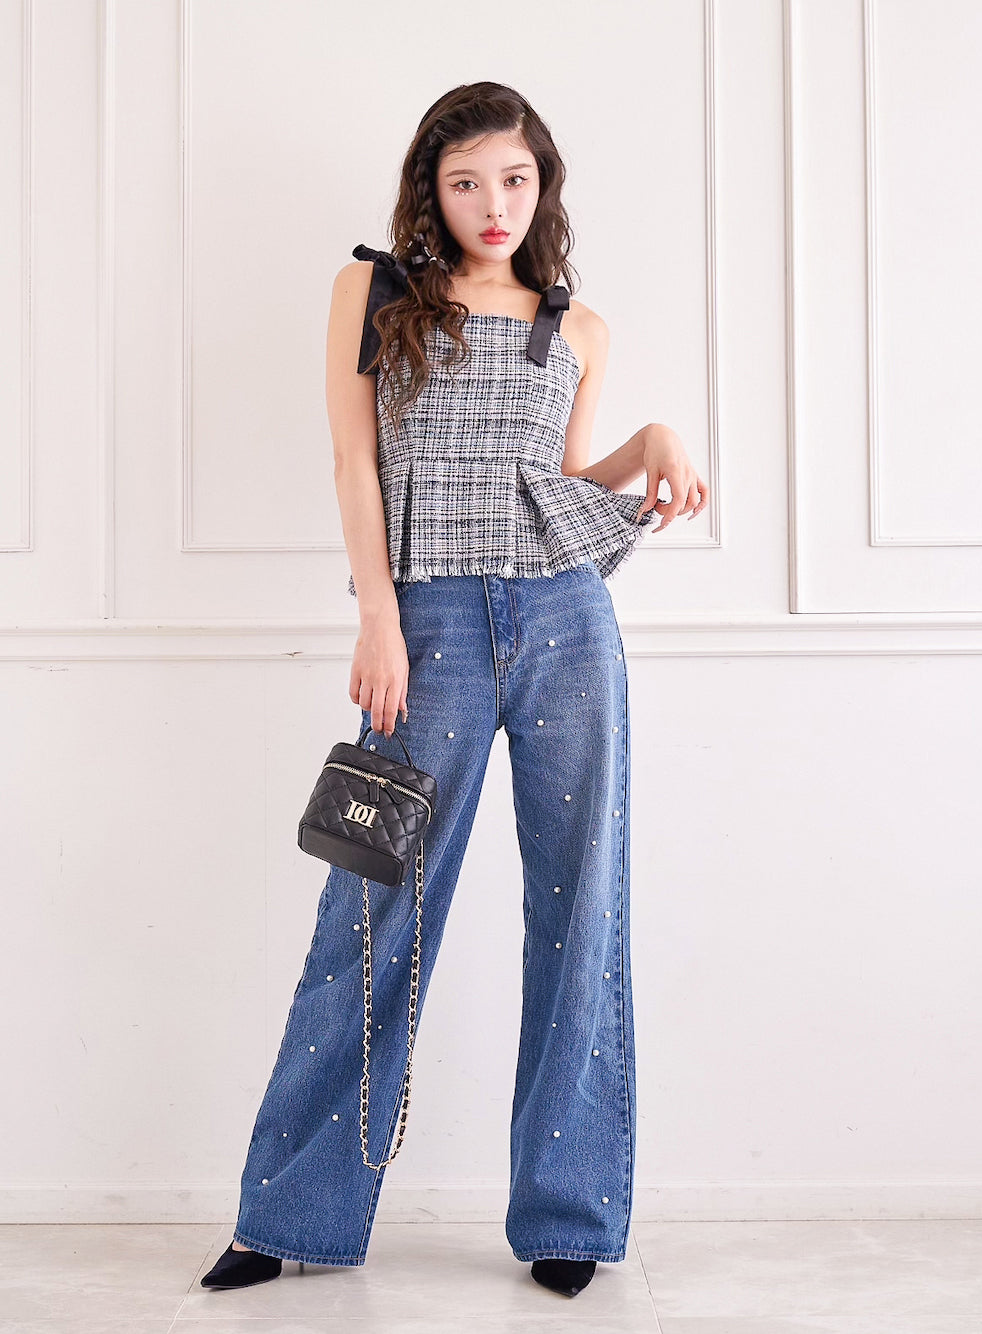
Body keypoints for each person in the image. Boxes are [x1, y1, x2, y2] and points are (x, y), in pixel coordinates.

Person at [202, 80, 707, 1300]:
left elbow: (560, 477)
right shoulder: (374, 292)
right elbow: (352, 457)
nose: (494, 203)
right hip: (424, 624)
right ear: (431, 188)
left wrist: (651, 444)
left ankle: (568, 1214)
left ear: (543, 188)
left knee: (581, 907)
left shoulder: (576, 325)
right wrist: (377, 615)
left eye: (515, 179)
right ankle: (291, 1210)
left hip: (564, 622)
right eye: (467, 179)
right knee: (369, 905)